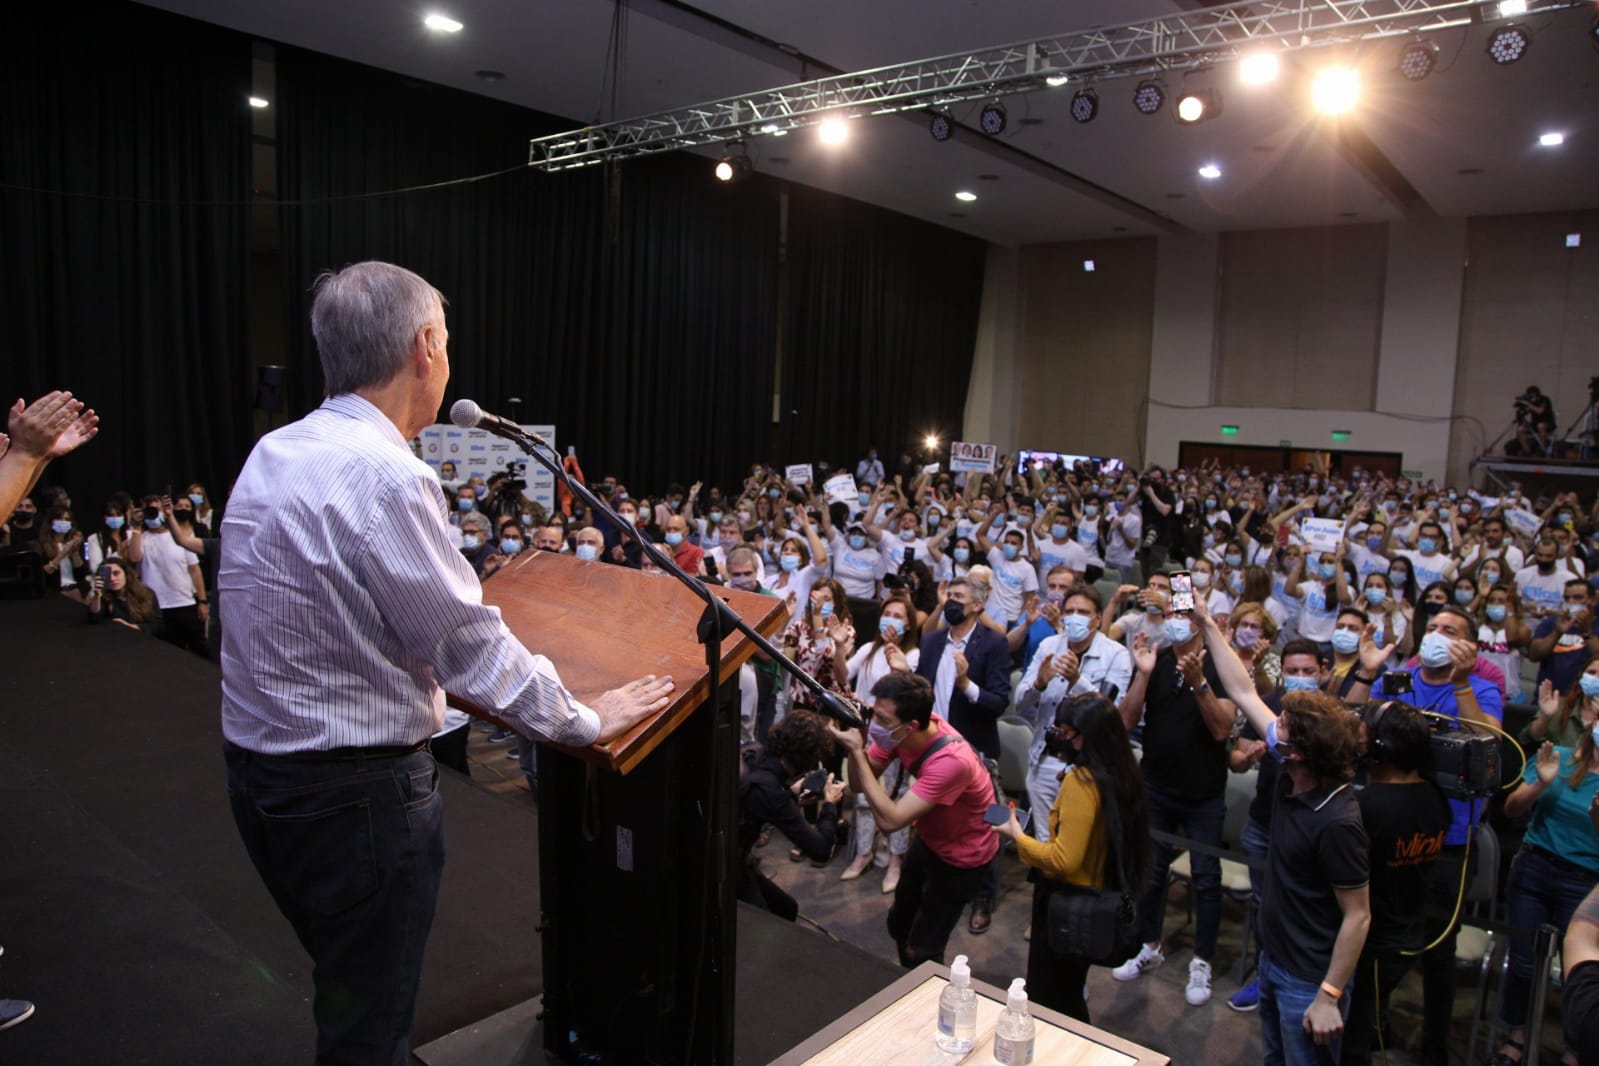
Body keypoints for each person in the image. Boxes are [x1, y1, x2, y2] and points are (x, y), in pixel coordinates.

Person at [218, 261, 675, 1065]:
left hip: (263, 777)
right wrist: (585, 719)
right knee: (369, 1026)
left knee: (348, 987)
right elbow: (467, 648)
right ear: (427, 347)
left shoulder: (275, 450)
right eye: (448, 340)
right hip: (353, 794)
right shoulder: (388, 475)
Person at [1194, 604, 1372, 1064]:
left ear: (1298, 753)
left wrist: (1329, 994)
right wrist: (1208, 623)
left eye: (1284, 730)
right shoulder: (1296, 770)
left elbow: (1358, 917)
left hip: (1309, 980)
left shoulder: (1338, 821)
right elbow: (1241, 689)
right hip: (1274, 960)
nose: (1274, 731)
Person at [1345, 604, 1504, 1066]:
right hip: (1387, 828)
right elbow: (1351, 722)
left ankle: (1435, 1043)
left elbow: (1490, 745)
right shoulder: (1398, 683)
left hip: (1446, 837)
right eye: (1431, 628)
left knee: (1437, 947)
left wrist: (1461, 682)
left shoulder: (1482, 689)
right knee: (1378, 939)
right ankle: (1373, 1025)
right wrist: (1366, 670)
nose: (1436, 635)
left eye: (1450, 631)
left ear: (1469, 645)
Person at [994, 693, 1150, 1024]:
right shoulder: (1120, 771)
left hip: (1067, 902)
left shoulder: (1082, 781)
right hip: (1093, 896)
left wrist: (1017, 837)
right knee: (1067, 992)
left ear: (1087, 736)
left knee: (1053, 1000)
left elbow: (1064, 859)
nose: (1058, 737)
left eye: (1066, 732)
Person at [829, 672, 998, 969]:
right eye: (873, 714)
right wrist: (860, 746)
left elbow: (891, 821)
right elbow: (859, 785)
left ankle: (922, 997)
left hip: (963, 857)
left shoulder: (951, 761)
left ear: (911, 726)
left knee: (924, 949)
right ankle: (908, 977)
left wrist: (857, 751)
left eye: (882, 720)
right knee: (899, 923)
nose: (875, 724)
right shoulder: (898, 730)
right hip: (931, 840)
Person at [1113, 608, 1236, 1008]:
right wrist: (1143, 674)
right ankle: (1149, 944)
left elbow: (1222, 729)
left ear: (1200, 622)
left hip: (1204, 792)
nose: (1174, 622)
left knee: (1205, 878)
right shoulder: (1158, 658)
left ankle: (1202, 960)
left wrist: (1200, 683)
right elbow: (1127, 722)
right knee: (1150, 870)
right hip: (1157, 785)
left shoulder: (1222, 664)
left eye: (1182, 615)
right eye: (1169, 615)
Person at [1485, 690, 1599, 1066]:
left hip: (1586, 884)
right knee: (1522, 964)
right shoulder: (1559, 758)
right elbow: (1511, 808)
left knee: (1578, 971)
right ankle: (1514, 1037)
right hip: (1535, 868)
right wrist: (1542, 783)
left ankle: (1576, 1048)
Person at [1339, 701, 1452, 1066]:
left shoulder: (1365, 807)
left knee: (1352, 1034)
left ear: (1380, 748)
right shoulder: (1437, 798)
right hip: (1407, 935)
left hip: (1369, 943)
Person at [915, 574, 1012, 933]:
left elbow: (999, 702)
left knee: (985, 826)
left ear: (977, 605)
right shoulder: (931, 641)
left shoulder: (994, 644)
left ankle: (983, 896)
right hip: (934, 749)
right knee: (936, 820)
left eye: (959, 596)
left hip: (977, 751)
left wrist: (966, 685)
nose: (952, 601)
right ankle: (936, 882)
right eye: (948, 595)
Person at [1015, 584, 1132, 843]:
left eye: (1083, 611)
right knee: (1045, 841)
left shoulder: (1117, 654)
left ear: (1098, 618)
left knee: (1079, 844)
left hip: (1089, 765)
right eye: (1069, 611)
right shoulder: (1049, 645)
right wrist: (1039, 684)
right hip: (1046, 758)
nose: (1074, 617)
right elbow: (1019, 703)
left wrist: (1076, 680)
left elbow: (1109, 712)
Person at [841, 591, 921, 889]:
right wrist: (839, 648)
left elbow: (909, 692)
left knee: (896, 799)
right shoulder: (868, 649)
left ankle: (895, 861)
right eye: (888, 614)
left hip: (897, 739)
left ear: (909, 625)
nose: (891, 620)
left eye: (899, 616)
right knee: (863, 797)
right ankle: (863, 853)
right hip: (867, 734)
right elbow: (842, 674)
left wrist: (897, 660)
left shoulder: (912, 655)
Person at [737, 711, 848, 920]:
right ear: (809, 761)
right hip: (732, 870)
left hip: (730, 857)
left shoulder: (754, 752)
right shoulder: (771, 792)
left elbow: (756, 804)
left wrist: (791, 795)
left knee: (787, 908)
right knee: (771, 917)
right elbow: (820, 849)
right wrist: (830, 805)